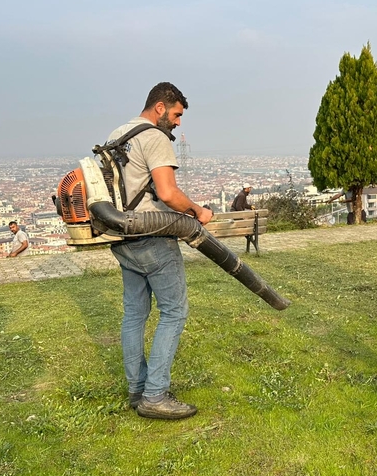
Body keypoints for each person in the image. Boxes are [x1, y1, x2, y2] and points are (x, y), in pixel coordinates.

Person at [107, 82, 213, 420]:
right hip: (152, 235)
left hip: (122, 235)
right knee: (174, 312)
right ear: (160, 107)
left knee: (134, 314)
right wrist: (197, 211)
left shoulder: (118, 134)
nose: (178, 122)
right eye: (177, 114)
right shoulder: (153, 136)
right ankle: (154, 395)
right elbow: (167, 193)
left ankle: (137, 389)